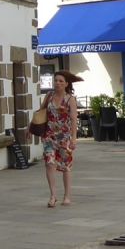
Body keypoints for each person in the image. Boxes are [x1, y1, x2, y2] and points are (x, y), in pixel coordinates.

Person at [40, 70, 81, 207]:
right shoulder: (49, 96)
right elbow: (40, 112)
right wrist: (30, 128)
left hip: (65, 138)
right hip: (49, 136)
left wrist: (74, 139)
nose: (57, 83)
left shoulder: (70, 99)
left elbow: (74, 120)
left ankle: (67, 196)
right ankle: (53, 196)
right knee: (49, 164)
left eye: (60, 81)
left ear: (66, 84)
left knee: (66, 167)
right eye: (56, 80)